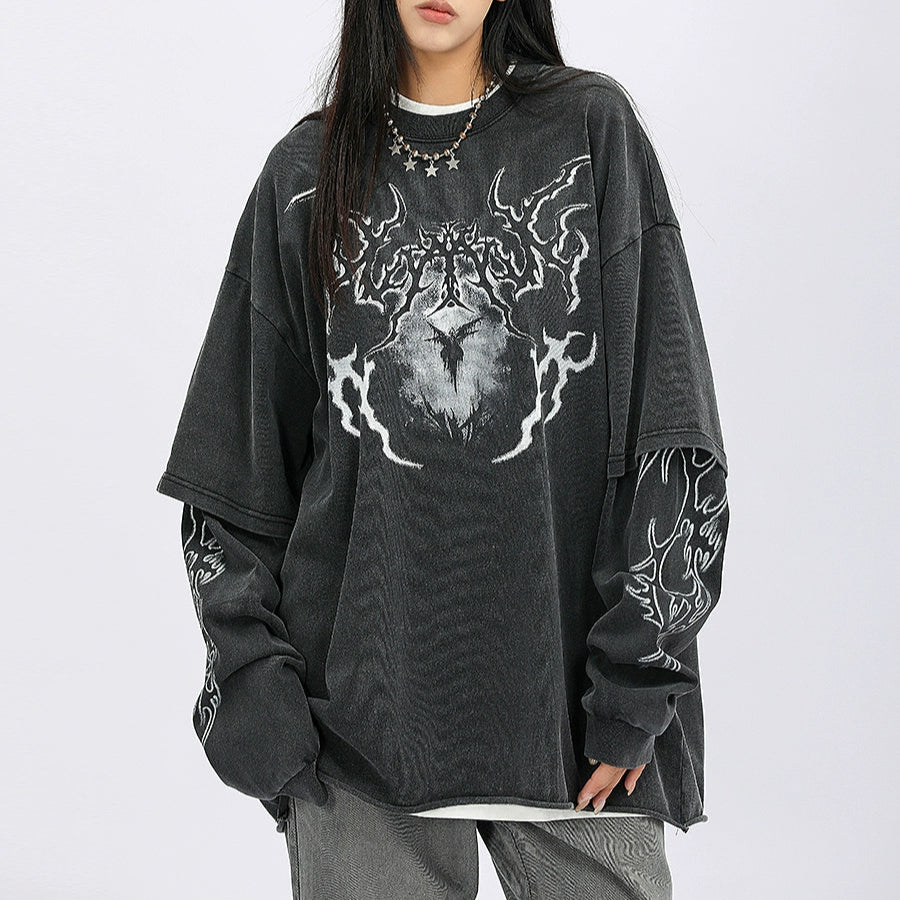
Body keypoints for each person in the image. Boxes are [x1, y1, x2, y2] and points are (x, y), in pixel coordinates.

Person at [156, 1, 730, 897]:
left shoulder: (591, 132)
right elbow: (230, 467)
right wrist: (258, 693)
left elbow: (673, 427)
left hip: (575, 728)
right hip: (358, 737)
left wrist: (634, 687)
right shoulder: (305, 174)